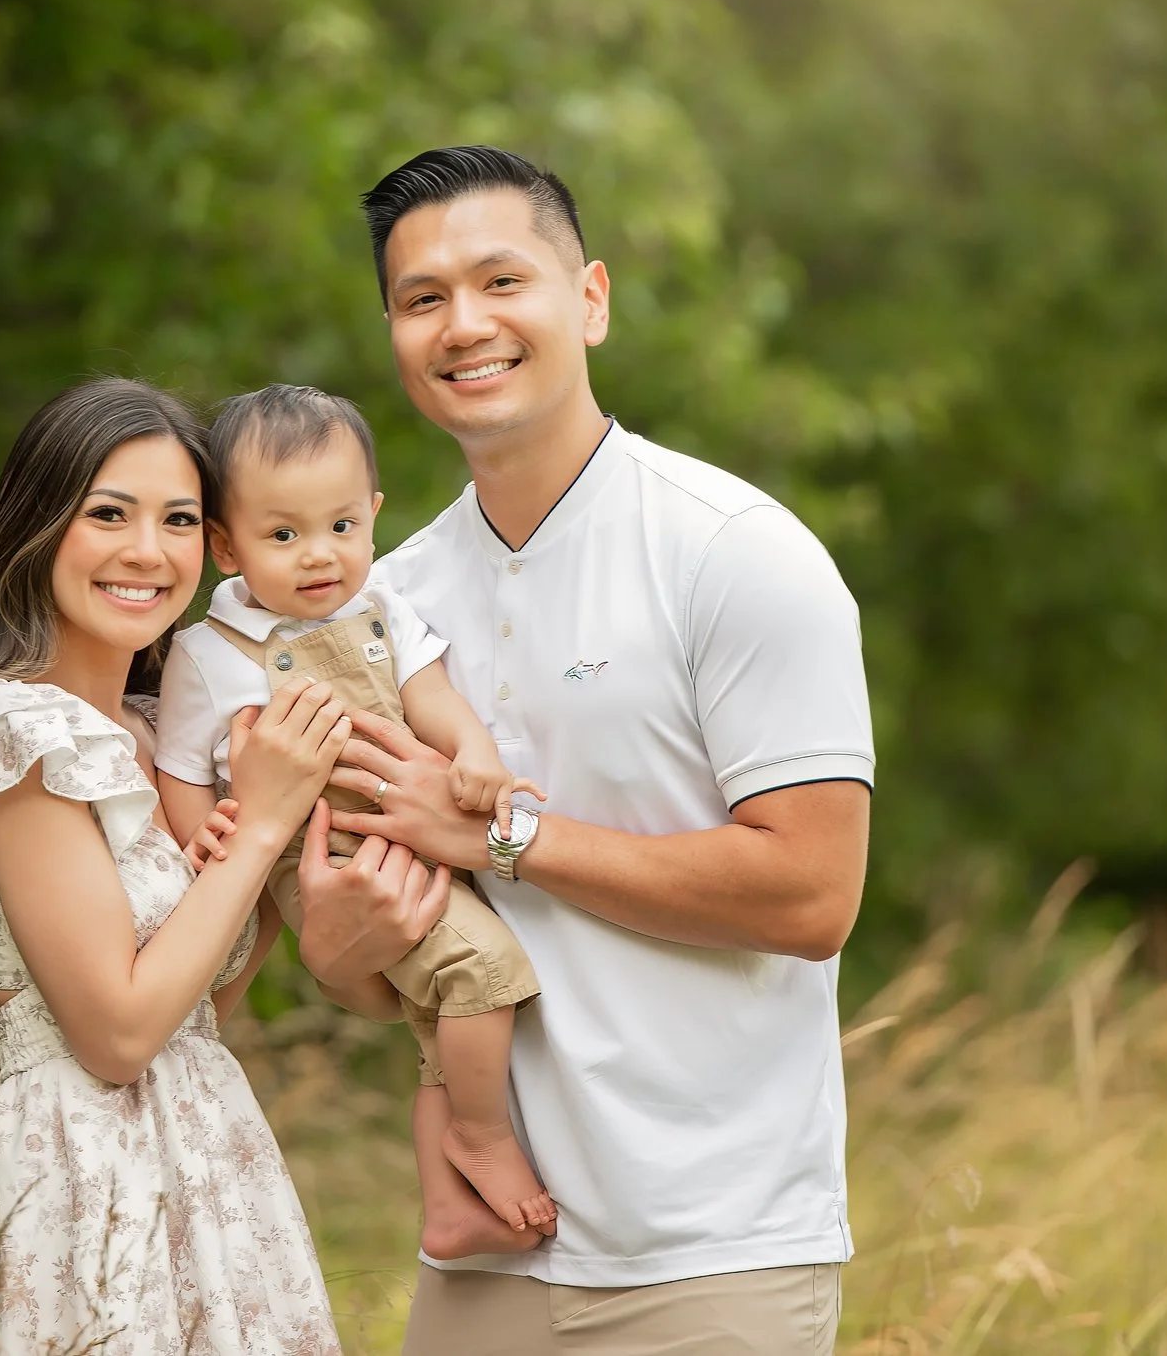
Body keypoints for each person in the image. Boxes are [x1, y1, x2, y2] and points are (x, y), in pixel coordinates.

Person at [295, 147, 876, 1353]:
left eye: (502, 280)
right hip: (487, 1245)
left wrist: (508, 836)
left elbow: (815, 893)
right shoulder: (381, 605)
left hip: (713, 1249)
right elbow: (372, 959)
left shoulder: (734, 553)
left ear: (591, 300)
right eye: (422, 299)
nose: (465, 324)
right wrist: (340, 949)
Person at [0, 377, 346, 1355]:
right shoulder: (10, 736)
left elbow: (197, 1015)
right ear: (38, 528)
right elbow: (118, 1034)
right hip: (88, 1187)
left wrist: (250, 854)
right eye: (109, 514)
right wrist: (258, 829)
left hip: (210, 1170)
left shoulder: (154, 738)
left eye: (179, 518)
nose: (148, 550)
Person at [151, 383, 559, 1246]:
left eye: (341, 526)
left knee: (434, 1025)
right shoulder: (209, 652)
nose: (319, 555)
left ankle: (447, 1207)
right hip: (318, 861)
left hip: (412, 835)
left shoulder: (385, 612)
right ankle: (482, 1136)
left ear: (373, 514)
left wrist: (475, 754)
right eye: (283, 534)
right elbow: (180, 764)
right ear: (225, 545)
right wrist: (200, 829)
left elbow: (432, 697)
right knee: (485, 974)